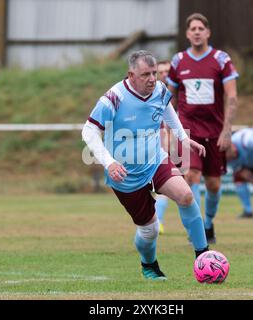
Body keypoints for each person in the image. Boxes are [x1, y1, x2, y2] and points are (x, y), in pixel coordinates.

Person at [82, 50, 209, 280]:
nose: (152, 78)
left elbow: (167, 107)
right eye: (145, 74)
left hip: (155, 160)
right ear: (131, 75)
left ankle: (204, 257)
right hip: (125, 174)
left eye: (154, 73)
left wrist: (182, 137)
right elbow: (89, 131)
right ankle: (149, 265)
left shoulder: (159, 89)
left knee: (186, 196)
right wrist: (109, 163)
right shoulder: (114, 97)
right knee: (149, 230)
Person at [163, 13, 239, 244]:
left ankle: (208, 223)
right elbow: (169, 98)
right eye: (192, 29)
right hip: (187, 130)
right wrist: (168, 129)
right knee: (191, 176)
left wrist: (227, 130)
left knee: (213, 184)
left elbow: (232, 96)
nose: (196, 32)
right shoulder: (178, 61)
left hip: (215, 131)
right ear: (187, 34)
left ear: (208, 32)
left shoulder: (221, 59)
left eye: (200, 28)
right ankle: (197, 229)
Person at [154, 60, 172, 234]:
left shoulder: (181, 96)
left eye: (169, 70)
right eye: (161, 71)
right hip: (158, 148)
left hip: (181, 146)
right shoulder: (153, 97)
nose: (165, 74)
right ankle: (155, 221)